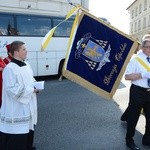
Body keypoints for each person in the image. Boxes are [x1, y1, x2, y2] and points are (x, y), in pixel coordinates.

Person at [0, 41, 40, 150]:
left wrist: (36, 85)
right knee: (18, 135)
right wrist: (31, 90)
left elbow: (31, 80)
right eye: (23, 49)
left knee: (29, 130)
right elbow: (11, 89)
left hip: (29, 105)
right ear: (16, 52)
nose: (26, 51)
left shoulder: (27, 65)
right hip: (16, 108)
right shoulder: (9, 69)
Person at [123, 39, 150, 150]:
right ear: (142, 48)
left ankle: (147, 139)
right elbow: (127, 76)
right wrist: (144, 74)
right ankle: (129, 141)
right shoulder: (136, 60)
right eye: (148, 47)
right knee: (133, 118)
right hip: (137, 92)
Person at [121, 33, 150, 122]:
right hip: (138, 89)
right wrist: (143, 74)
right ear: (143, 46)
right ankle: (126, 118)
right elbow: (128, 76)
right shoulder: (139, 58)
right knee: (134, 107)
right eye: (147, 45)